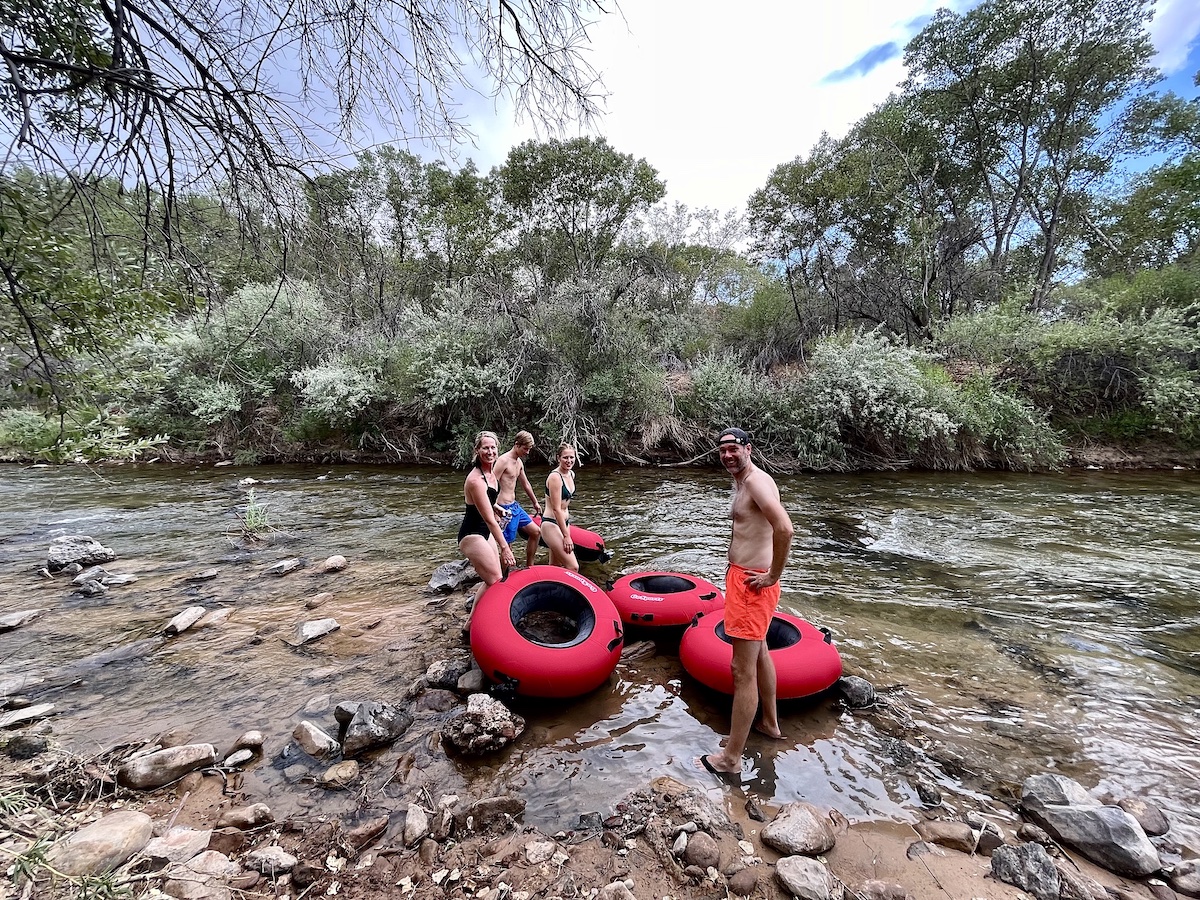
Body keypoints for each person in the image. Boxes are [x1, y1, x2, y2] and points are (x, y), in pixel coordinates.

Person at [699, 426, 795, 777]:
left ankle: (731, 758)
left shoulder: (754, 482)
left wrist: (773, 575)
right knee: (761, 653)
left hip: (752, 585)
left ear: (748, 449)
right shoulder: (748, 481)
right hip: (745, 579)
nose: (727, 455)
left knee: (741, 671)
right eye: (722, 450)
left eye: (733, 449)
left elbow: (784, 528)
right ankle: (769, 723)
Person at [457, 431, 517, 602]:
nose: (490, 452)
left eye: (493, 447)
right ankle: (482, 619)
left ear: (498, 449)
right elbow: (489, 519)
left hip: (486, 532)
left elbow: (485, 503)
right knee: (496, 579)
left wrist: (496, 507)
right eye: (485, 448)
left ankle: (469, 626)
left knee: (493, 579)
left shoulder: (491, 474)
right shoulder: (476, 480)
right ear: (477, 450)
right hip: (472, 534)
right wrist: (505, 548)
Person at [494, 431, 542, 568]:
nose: (527, 452)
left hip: (515, 506)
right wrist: (494, 510)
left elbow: (525, 484)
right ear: (516, 445)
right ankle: (503, 577)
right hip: (503, 509)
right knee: (507, 545)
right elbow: (491, 486)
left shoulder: (519, 462)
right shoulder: (503, 461)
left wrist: (535, 502)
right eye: (525, 448)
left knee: (536, 532)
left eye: (529, 449)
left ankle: (529, 566)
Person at [540, 442, 579, 571]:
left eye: (571, 457)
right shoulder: (555, 477)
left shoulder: (571, 474)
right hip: (551, 523)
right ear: (558, 458)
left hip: (564, 522)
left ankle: (550, 590)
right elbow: (556, 509)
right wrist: (566, 536)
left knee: (555, 567)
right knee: (573, 567)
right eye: (565, 457)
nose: (569, 461)